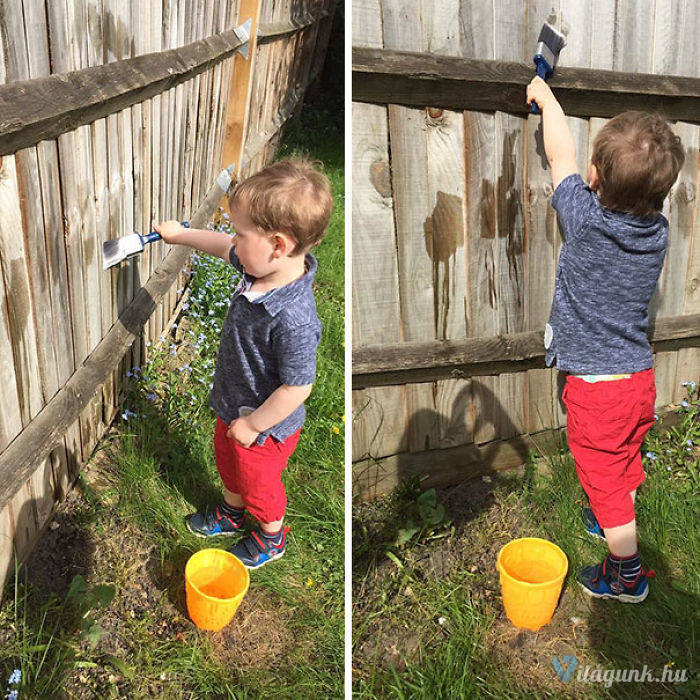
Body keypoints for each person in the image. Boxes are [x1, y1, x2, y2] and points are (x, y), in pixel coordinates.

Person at [526, 76, 685, 602]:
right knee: (623, 458)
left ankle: (626, 573)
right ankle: (610, 517)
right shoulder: (657, 233)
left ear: (595, 176)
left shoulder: (586, 221)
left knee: (605, 477)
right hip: (637, 377)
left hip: (599, 388)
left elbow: (559, 155)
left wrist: (547, 100)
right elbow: (576, 165)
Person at [154, 158, 332, 568]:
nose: (233, 240)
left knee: (259, 483)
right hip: (234, 402)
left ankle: (272, 536)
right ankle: (232, 513)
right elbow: (223, 248)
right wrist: (182, 235)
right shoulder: (259, 269)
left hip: (267, 427)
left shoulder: (294, 318)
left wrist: (254, 425)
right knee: (227, 460)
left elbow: (297, 386)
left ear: (277, 245)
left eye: (240, 232)